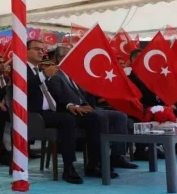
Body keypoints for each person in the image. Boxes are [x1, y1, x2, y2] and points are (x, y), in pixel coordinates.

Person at [48, 45, 136, 178]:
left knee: (120, 116)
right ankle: (96, 163)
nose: (70, 58)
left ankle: (116, 156)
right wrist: (75, 106)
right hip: (72, 111)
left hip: (87, 107)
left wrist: (88, 102)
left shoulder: (74, 75)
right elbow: (58, 97)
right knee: (100, 118)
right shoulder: (55, 75)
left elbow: (83, 96)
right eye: (65, 56)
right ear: (58, 58)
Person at [25, 40, 82, 183]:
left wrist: (69, 105)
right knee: (67, 120)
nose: (40, 52)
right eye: (36, 49)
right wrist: (44, 75)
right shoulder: (20, 69)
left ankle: (95, 162)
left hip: (51, 112)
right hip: (35, 115)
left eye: (41, 49)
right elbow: (23, 87)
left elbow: (54, 94)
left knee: (80, 116)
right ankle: (68, 167)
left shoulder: (39, 70)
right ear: (26, 51)